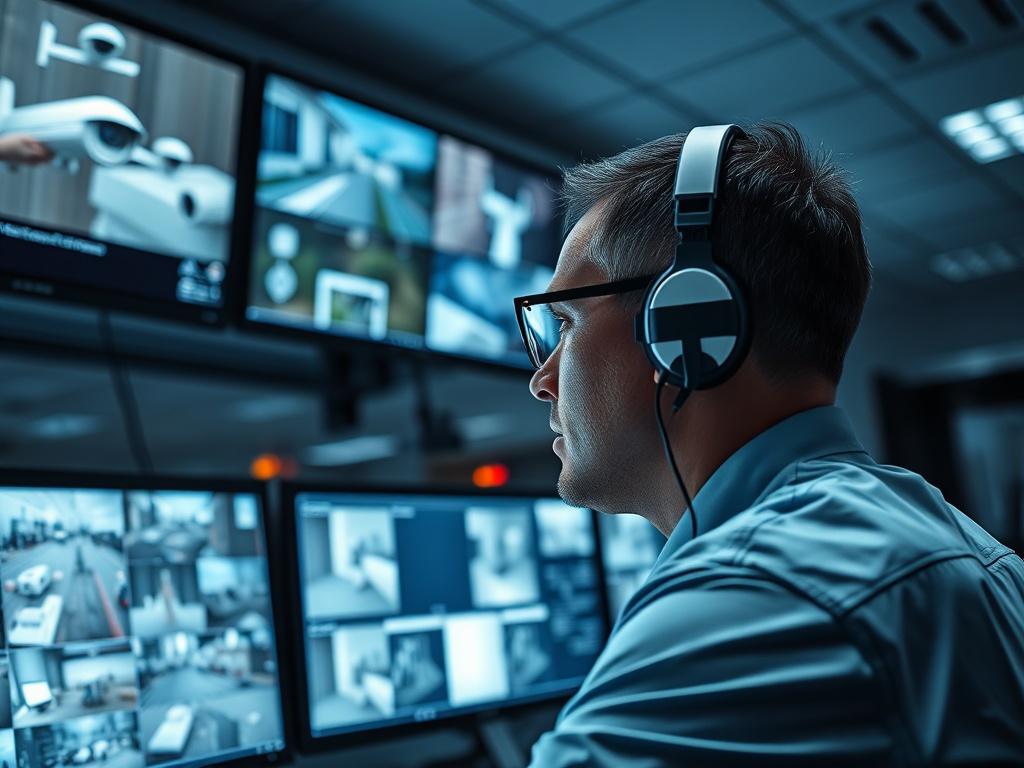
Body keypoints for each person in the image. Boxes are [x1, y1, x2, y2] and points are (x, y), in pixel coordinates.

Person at [518, 123, 1024, 766]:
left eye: (565, 321)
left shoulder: (754, 591)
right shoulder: (964, 544)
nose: (543, 378)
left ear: (684, 324)